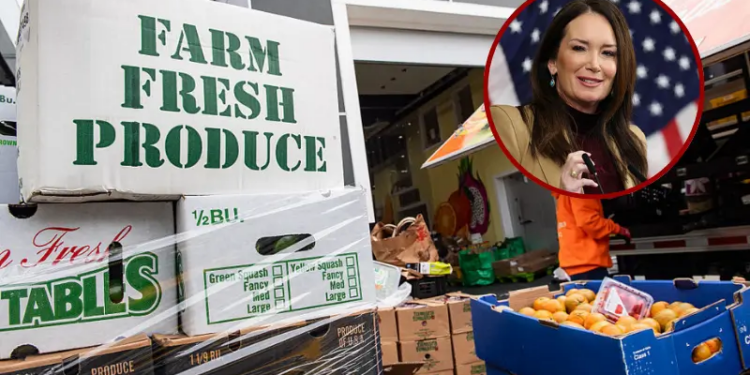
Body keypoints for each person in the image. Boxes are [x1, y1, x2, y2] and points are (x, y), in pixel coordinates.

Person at [491, 0, 648, 194]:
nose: (594, 65)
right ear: (553, 62)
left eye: (608, 53)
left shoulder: (634, 139)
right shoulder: (513, 126)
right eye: (579, 48)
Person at [554, 192, 630, 281]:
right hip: (588, 264)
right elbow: (591, 223)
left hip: (576, 262)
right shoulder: (581, 189)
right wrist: (618, 229)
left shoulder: (564, 192)